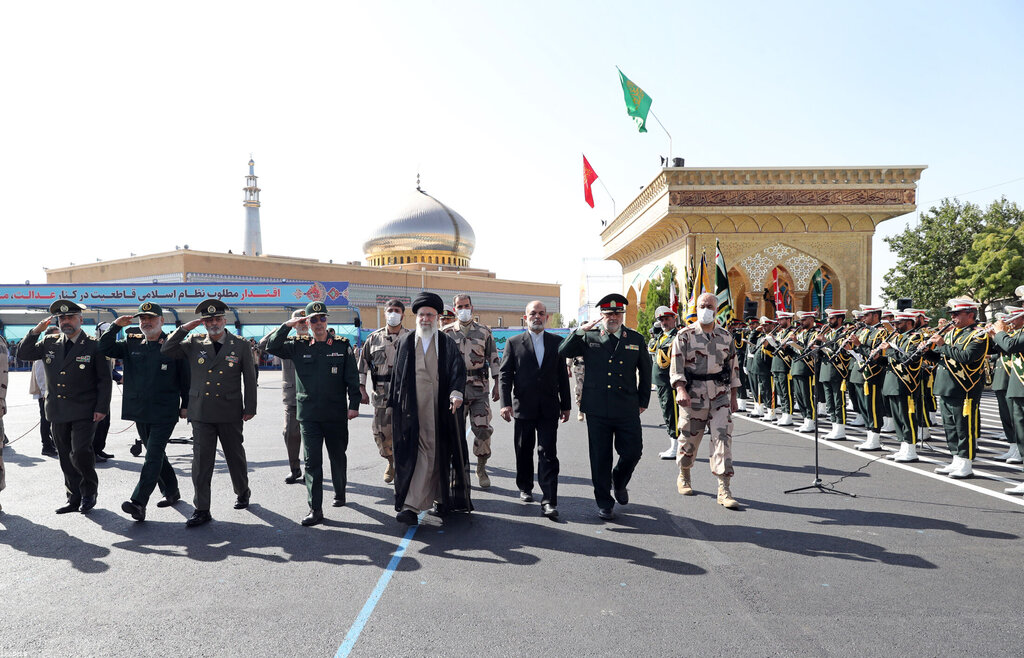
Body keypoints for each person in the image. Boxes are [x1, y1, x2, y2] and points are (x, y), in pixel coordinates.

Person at [161, 298, 257, 527]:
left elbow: (250, 379)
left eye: (217, 318)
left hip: (230, 410)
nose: (213, 323)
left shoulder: (240, 344)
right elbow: (167, 349)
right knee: (202, 462)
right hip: (201, 411)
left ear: (225, 320)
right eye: (208, 320)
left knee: (235, 457)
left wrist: (250, 407)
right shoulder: (194, 342)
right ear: (203, 323)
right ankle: (202, 508)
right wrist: (184, 328)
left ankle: (242, 491)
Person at [265, 301, 361, 526]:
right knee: (311, 462)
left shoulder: (341, 344)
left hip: (335, 413)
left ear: (327, 320)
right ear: (306, 322)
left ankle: (340, 491)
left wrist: (354, 404)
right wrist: (288, 324)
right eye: (313, 319)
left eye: (322, 318)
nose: (319, 323)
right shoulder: (298, 345)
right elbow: (270, 346)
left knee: (338, 457)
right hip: (308, 414)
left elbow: (352, 377)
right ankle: (315, 509)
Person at [558, 293, 651, 520]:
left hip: (626, 407)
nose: (613, 317)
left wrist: (643, 402)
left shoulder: (635, 339)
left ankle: (619, 481)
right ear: (601, 315)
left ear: (623, 315)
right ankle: (604, 502)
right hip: (597, 408)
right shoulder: (589, 337)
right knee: (600, 457)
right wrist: (580, 330)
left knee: (633, 451)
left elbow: (646, 372)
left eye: (617, 313)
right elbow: (562, 351)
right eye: (609, 313)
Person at [17, 299, 112, 514]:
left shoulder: (93, 345)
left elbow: (103, 380)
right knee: (64, 454)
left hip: (84, 409)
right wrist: (35, 331)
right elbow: (23, 354)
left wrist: (102, 408)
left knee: (80, 452)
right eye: (62, 318)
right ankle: (73, 496)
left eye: (70, 317)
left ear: (80, 319)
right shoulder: (49, 342)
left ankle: (89, 492)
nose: (66, 321)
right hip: (57, 409)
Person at [98, 302, 190, 521]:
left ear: (162, 321)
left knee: (153, 455)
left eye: (150, 318)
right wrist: (114, 327)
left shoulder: (174, 345)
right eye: (142, 319)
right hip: (140, 409)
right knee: (156, 454)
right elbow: (104, 348)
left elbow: (186, 378)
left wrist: (186, 405)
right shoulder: (132, 342)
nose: (146, 323)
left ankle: (138, 502)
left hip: (165, 410)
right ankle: (172, 491)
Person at [388, 292, 469, 524]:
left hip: (439, 408)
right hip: (412, 410)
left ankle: (433, 500)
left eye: (430, 315)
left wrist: (456, 392)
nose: (425, 318)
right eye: (422, 314)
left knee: (438, 450)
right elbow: (398, 378)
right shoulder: (405, 342)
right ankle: (414, 505)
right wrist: (394, 405)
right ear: (416, 317)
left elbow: (457, 371)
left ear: (437, 317)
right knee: (420, 451)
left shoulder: (445, 343)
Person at [498, 300, 571, 519]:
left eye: (541, 313)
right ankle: (525, 486)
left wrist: (566, 405)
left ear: (547, 317)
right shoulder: (513, 343)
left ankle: (549, 500)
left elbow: (562, 377)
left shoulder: (557, 343)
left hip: (549, 408)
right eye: (533, 313)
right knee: (523, 449)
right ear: (525, 317)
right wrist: (505, 404)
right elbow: (505, 375)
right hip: (523, 407)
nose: (537, 317)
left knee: (548, 453)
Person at [670, 292, 741, 509]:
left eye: (710, 305)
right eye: (702, 305)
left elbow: (733, 368)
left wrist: (734, 397)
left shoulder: (726, 337)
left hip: (719, 395)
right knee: (689, 439)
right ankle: (684, 473)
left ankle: (724, 488)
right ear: (696, 307)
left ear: (716, 309)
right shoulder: (684, 335)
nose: (705, 309)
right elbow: (676, 367)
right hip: (693, 396)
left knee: (722, 438)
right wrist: (680, 389)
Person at [924, 298, 989, 478]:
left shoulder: (978, 334)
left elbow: (966, 357)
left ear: (970, 315)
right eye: (952, 314)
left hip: (964, 387)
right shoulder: (953, 334)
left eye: (956, 314)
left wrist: (942, 345)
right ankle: (956, 459)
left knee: (963, 427)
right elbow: (941, 358)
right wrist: (927, 352)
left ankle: (966, 463)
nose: (952, 317)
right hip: (946, 386)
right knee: (950, 426)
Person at [443, 294, 500, 488]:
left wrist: (497, 384)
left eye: (466, 306)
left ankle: (481, 466)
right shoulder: (446, 332)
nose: (463, 309)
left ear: (472, 308)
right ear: (454, 308)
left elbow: (493, 358)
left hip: (479, 388)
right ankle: (455, 471)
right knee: (453, 433)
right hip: (454, 390)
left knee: (483, 430)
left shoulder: (484, 331)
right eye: (459, 306)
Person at [356, 298, 410, 484]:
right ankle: (391, 461)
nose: (393, 313)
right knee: (381, 433)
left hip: (405, 393)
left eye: (397, 310)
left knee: (406, 432)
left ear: (403, 314)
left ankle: (404, 466)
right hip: (381, 393)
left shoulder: (412, 338)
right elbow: (362, 366)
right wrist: (361, 389)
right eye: (390, 310)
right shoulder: (373, 338)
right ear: (385, 313)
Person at [258, 309, 307, 485]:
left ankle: (310, 469)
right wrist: (285, 326)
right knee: (290, 433)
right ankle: (294, 468)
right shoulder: (285, 341)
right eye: (298, 320)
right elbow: (263, 344)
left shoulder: (317, 339)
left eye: (304, 320)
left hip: (312, 398)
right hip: (292, 396)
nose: (302, 323)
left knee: (312, 436)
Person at [879, 311, 924, 462]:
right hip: (893, 381)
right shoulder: (898, 338)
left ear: (909, 322)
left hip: (906, 383)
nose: (895, 326)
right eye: (895, 323)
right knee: (898, 418)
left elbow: (909, 358)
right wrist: (879, 357)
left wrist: (889, 350)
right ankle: (903, 447)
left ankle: (911, 449)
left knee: (907, 416)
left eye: (899, 323)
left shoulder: (915, 337)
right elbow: (891, 362)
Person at [989, 303, 1024, 493]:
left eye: (1014, 317)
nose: (1009, 321)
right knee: (1020, 430)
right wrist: (994, 335)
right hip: (1016, 387)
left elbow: (1010, 346)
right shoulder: (1018, 332)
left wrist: (999, 332)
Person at [846, 305, 888, 450]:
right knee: (863, 407)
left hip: (872, 374)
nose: (864, 318)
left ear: (875, 315)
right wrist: (851, 349)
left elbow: (875, 354)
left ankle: (875, 438)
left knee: (873, 407)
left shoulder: (881, 333)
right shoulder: (863, 331)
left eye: (867, 315)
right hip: (859, 372)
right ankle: (869, 436)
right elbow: (860, 351)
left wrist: (858, 344)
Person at [816, 309, 852, 440]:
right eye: (828, 318)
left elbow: (842, 352)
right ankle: (833, 427)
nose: (828, 321)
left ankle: (840, 429)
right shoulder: (829, 333)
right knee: (830, 402)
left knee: (838, 402)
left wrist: (824, 340)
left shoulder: (844, 333)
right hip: (826, 371)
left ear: (839, 319)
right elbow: (821, 353)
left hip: (837, 372)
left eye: (831, 318)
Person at [649, 306, 680, 459]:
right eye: (661, 319)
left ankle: (676, 447)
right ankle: (674, 445)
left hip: (670, 382)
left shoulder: (677, 337)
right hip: (661, 382)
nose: (664, 322)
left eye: (667, 319)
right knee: (666, 412)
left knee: (672, 413)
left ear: (674, 319)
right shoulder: (661, 337)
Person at [786, 311, 818, 432]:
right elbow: (795, 353)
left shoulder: (814, 333)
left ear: (811, 319)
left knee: (807, 396)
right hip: (796, 368)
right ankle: (805, 419)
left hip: (806, 369)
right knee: (799, 396)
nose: (801, 323)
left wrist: (796, 342)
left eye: (804, 320)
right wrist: (786, 346)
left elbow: (808, 351)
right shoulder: (800, 333)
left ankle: (810, 419)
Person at [30, 327, 60, 456]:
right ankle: (46, 446)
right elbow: (41, 374)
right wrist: (44, 393)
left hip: (50, 392)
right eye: (56, 336)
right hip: (45, 393)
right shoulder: (43, 350)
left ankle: (52, 443)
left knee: (52, 419)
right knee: (46, 419)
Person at [768, 311, 796, 425]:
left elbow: (791, 350)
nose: (779, 322)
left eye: (781, 320)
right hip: (776, 365)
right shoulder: (780, 333)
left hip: (785, 366)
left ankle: (788, 415)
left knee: (787, 392)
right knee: (780, 391)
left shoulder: (792, 333)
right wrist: (771, 341)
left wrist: (779, 343)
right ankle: (784, 414)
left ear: (788, 320)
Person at [570, 356, 585, 421]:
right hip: (579, 364)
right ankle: (580, 409)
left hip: (594, 364)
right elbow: (570, 348)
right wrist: (568, 365)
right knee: (580, 388)